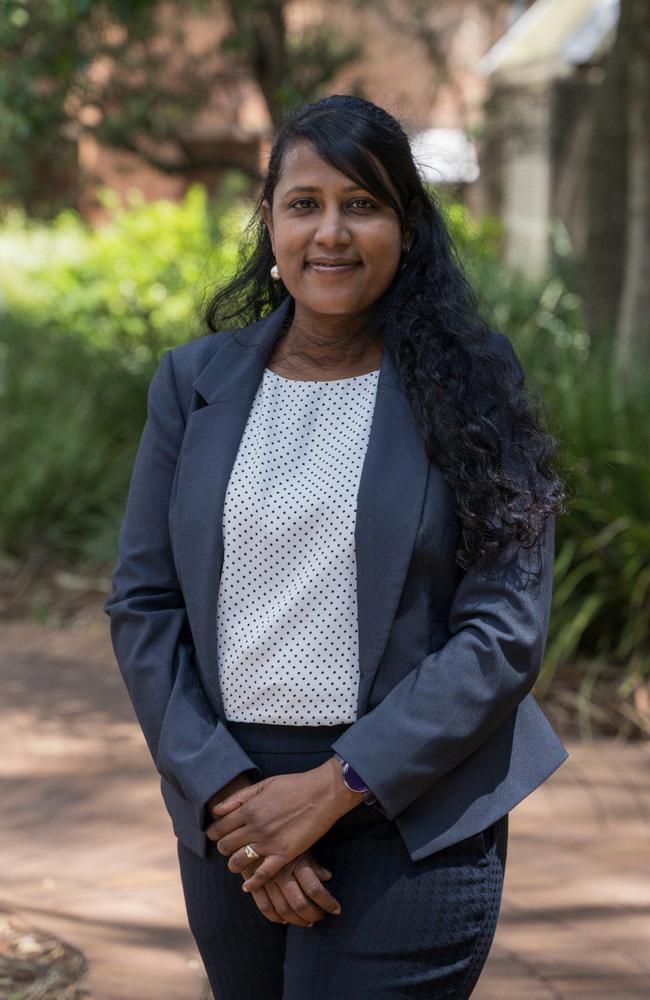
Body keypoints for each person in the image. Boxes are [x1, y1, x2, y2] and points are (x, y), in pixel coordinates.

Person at [104, 94, 569, 999]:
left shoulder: (474, 378)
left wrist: (328, 791)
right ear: (269, 222)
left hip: (410, 804)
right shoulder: (193, 384)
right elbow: (143, 605)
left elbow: (504, 627)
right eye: (304, 203)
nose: (332, 233)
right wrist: (237, 806)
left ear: (406, 226)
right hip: (229, 804)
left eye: (363, 204)